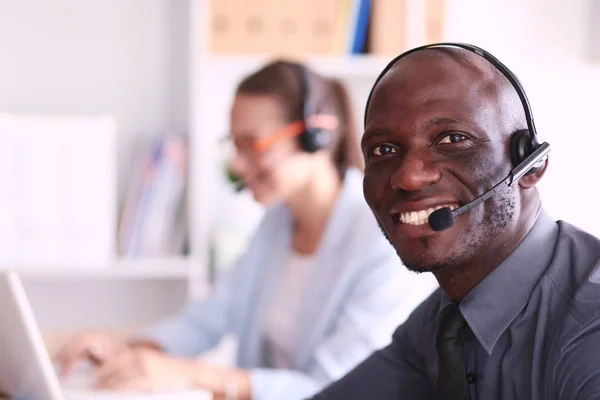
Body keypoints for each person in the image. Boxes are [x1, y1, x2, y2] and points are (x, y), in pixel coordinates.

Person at [55, 60, 438, 400]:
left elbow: (334, 387)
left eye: (252, 145)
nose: (237, 165)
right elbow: (211, 316)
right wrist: (132, 353)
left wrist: (195, 375)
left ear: (314, 136)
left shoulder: (383, 241)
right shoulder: (278, 222)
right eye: (234, 146)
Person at [308, 43, 600, 400]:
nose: (409, 177)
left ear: (530, 164)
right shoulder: (443, 319)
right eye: (384, 150)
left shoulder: (589, 329)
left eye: (452, 139)